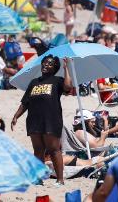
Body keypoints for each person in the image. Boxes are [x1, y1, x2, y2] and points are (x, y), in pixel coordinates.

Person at [10, 56, 72, 186]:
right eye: (44, 62)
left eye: (49, 63)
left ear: (55, 68)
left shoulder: (57, 81)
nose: (45, 65)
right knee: (38, 150)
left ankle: (60, 179)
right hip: (34, 120)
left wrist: (67, 69)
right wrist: (16, 116)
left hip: (51, 120)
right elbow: (25, 102)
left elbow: (68, 87)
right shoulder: (34, 82)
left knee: (54, 149)